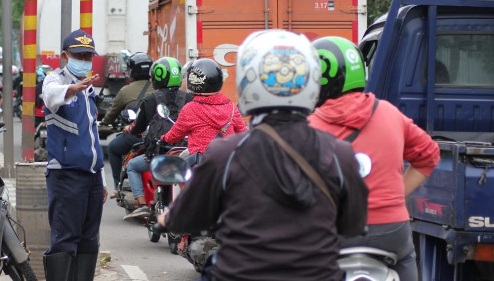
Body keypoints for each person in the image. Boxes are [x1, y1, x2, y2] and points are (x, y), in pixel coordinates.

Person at [157, 30, 370, 281]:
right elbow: (353, 225)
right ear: (312, 81)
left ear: (248, 82)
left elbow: (185, 218)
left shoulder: (224, 155)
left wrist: (165, 218)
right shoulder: (340, 154)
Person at [308, 36, 441, 281]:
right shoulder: (390, 113)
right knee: (406, 260)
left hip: (333, 231)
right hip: (391, 230)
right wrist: (395, 195)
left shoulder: (307, 128)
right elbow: (429, 155)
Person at [41, 29, 108, 281]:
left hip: (90, 176)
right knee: (65, 239)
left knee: (89, 239)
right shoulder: (55, 80)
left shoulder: (89, 90)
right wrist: (72, 88)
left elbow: (92, 139)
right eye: (78, 55)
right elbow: (50, 98)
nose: (84, 60)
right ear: (65, 55)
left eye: (88, 56)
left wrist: (100, 180)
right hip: (66, 176)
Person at [121, 56, 192, 220]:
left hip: (158, 154)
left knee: (132, 165)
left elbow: (137, 127)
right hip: (184, 153)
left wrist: (128, 128)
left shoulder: (150, 99)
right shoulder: (189, 98)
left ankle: (142, 204)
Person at [160, 58, 247, 158]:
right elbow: (243, 132)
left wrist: (163, 139)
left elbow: (174, 136)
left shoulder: (190, 109)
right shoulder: (231, 107)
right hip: (227, 160)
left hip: (201, 163)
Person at [104, 52, 155, 197]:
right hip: (158, 136)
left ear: (131, 70)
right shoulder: (158, 88)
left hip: (136, 136)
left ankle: (118, 187)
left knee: (113, 148)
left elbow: (111, 114)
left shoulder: (125, 91)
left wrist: (106, 122)